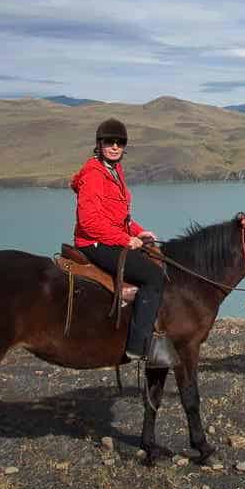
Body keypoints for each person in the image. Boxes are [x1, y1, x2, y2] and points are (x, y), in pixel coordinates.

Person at [71, 118, 163, 360]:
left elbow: (119, 216)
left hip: (110, 237)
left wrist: (138, 231)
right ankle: (138, 346)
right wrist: (124, 239)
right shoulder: (93, 174)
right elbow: (89, 222)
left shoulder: (115, 170)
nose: (115, 146)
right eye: (109, 142)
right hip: (94, 243)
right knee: (153, 277)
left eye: (120, 142)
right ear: (99, 144)